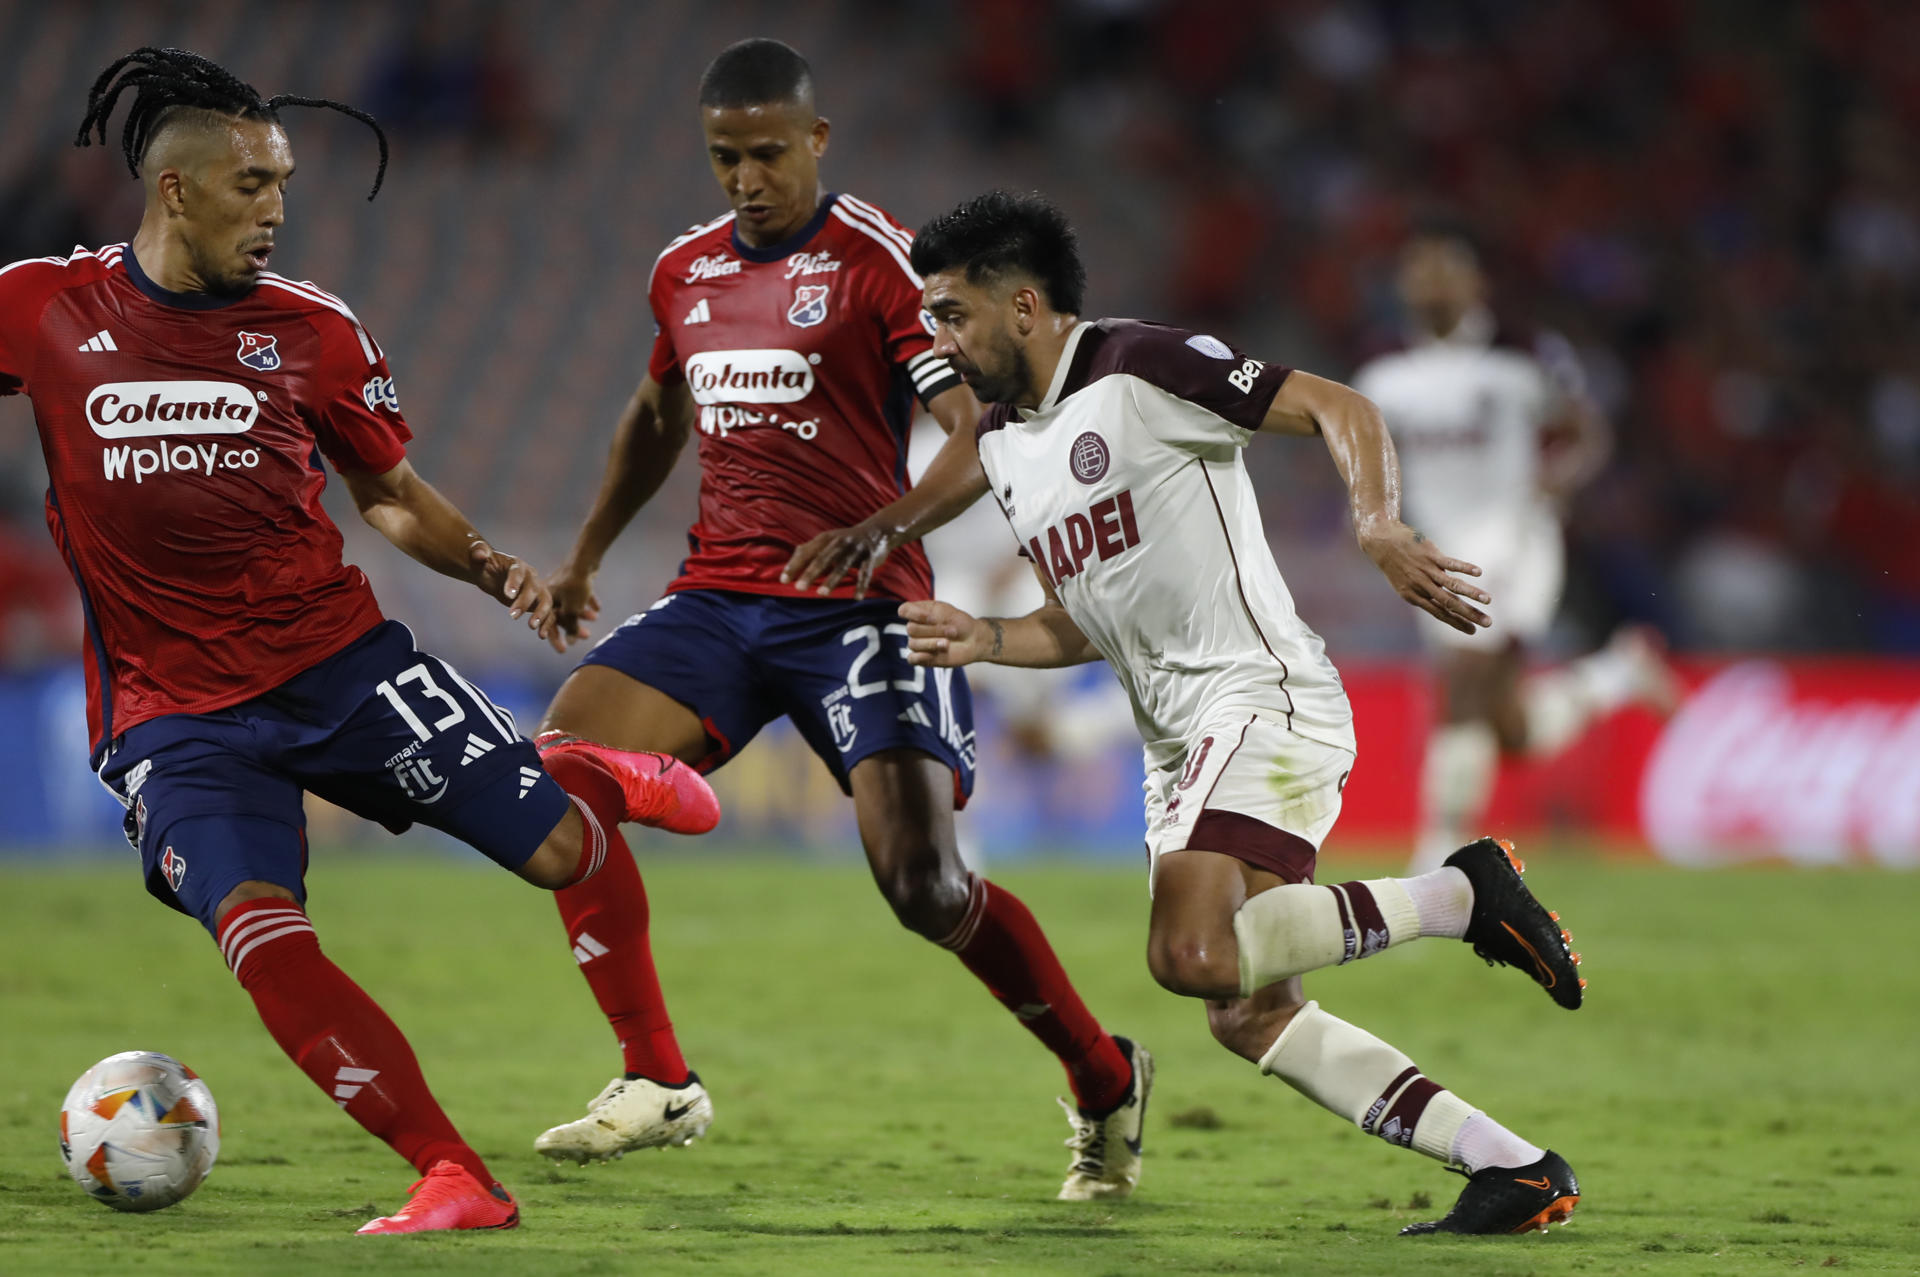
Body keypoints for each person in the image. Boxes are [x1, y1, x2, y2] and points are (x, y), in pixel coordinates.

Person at [0, 47, 717, 1235]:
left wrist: (489, 568)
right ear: (172, 189)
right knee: (261, 934)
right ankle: (456, 1173)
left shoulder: (312, 329)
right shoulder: (42, 307)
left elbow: (386, 491)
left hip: (342, 669)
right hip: (173, 714)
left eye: (282, 182)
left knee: (557, 851)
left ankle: (577, 774)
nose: (276, 208)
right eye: (250, 184)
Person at [895, 190, 1586, 1236]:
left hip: (1261, 696)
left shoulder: (1140, 363)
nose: (935, 339)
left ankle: (1460, 893)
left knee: (1191, 954)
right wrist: (985, 636)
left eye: (951, 314)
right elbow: (1087, 618)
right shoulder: (1002, 446)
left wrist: (1377, 521)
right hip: (1178, 744)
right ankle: (1515, 1165)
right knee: (1247, 1009)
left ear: (1024, 306)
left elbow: (1344, 407)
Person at [530, 39, 1149, 1201]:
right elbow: (656, 414)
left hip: (861, 606)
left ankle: (1104, 1077)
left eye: (769, 152)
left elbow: (978, 428)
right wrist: (586, 557)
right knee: (559, 768)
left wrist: (880, 528)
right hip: (720, 596)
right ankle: (657, 1075)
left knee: (925, 887)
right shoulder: (685, 272)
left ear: (816, 140)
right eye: (726, 157)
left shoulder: (881, 265)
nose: (747, 177)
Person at [1351, 224, 1681, 872]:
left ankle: (1437, 854)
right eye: (1422, 270)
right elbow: (1365, 459)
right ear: (1404, 285)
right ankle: (1616, 674)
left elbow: (1588, 429)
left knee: (1464, 678)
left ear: (1478, 284)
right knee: (1512, 731)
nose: (1435, 282)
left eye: (1449, 267)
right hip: (1432, 549)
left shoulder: (1524, 353)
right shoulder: (1381, 371)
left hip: (1516, 539)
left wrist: (1561, 475)